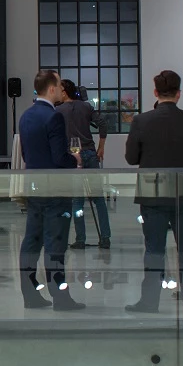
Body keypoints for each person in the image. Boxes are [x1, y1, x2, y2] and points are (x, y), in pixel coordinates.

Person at [124, 70, 183, 314]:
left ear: (155, 93)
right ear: (179, 93)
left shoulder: (141, 121)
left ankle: (149, 302)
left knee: (154, 250)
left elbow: (131, 158)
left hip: (154, 193)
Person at [17, 69, 84, 312]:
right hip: (55, 189)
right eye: (59, 85)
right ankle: (60, 297)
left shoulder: (26, 116)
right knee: (55, 244)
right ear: (53, 88)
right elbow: (59, 158)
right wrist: (75, 160)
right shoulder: (54, 117)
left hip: (34, 187)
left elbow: (26, 155)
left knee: (32, 241)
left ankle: (30, 294)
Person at [57, 78, 111, 250]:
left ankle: (80, 239)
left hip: (74, 156)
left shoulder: (59, 110)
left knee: (77, 200)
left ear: (64, 92)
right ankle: (105, 238)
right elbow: (102, 123)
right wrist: (101, 146)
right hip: (90, 152)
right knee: (99, 199)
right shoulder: (86, 107)